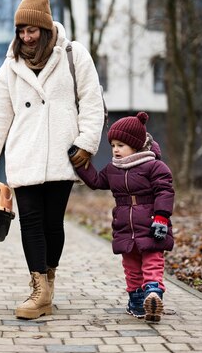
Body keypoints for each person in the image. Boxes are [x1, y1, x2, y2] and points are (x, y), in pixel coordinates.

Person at [0, 0, 105, 319]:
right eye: (20, 31)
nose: (26, 38)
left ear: (45, 28)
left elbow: (92, 102)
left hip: (64, 155)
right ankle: (39, 291)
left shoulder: (73, 55)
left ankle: (48, 280)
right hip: (25, 154)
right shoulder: (10, 66)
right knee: (30, 222)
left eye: (31, 30)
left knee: (52, 224)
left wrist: (87, 143)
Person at [71, 112, 174, 322]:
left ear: (135, 145)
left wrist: (161, 218)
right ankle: (138, 304)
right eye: (113, 145)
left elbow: (165, 191)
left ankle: (153, 293)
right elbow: (97, 182)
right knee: (131, 266)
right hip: (125, 228)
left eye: (121, 145)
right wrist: (80, 164)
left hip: (151, 224)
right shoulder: (113, 169)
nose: (116, 150)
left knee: (152, 262)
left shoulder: (154, 166)